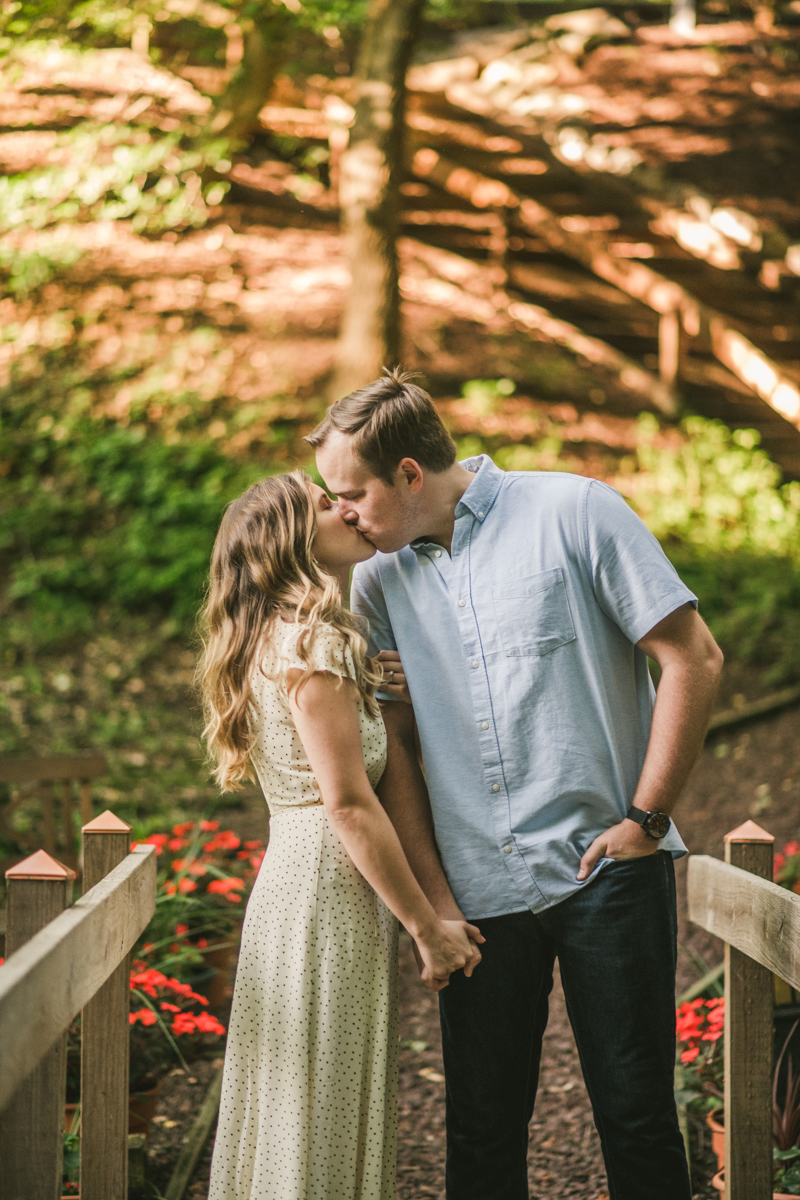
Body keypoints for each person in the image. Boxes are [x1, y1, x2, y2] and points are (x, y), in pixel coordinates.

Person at [308, 369, 725, 1200]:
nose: (343, 514)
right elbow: (393, 746)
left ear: (409, 474)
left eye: (351, 494)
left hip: (606, 867)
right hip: (478, 891)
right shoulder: (378, 581)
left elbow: (694, 657)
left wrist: (646, 818)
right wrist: (435, 900)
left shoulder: (577, 512)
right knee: (482, 1127)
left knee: (636, 1114)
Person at [199, 472, 482, 1200]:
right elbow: (350, 806)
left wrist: (365, 678)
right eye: (326, 505)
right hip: (326, 895)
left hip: (292, 887)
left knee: (301, 1102)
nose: (347, 509)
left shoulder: (283, 641)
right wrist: (429, 928)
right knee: (318, 1097)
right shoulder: (315, 644)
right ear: (292, 542)